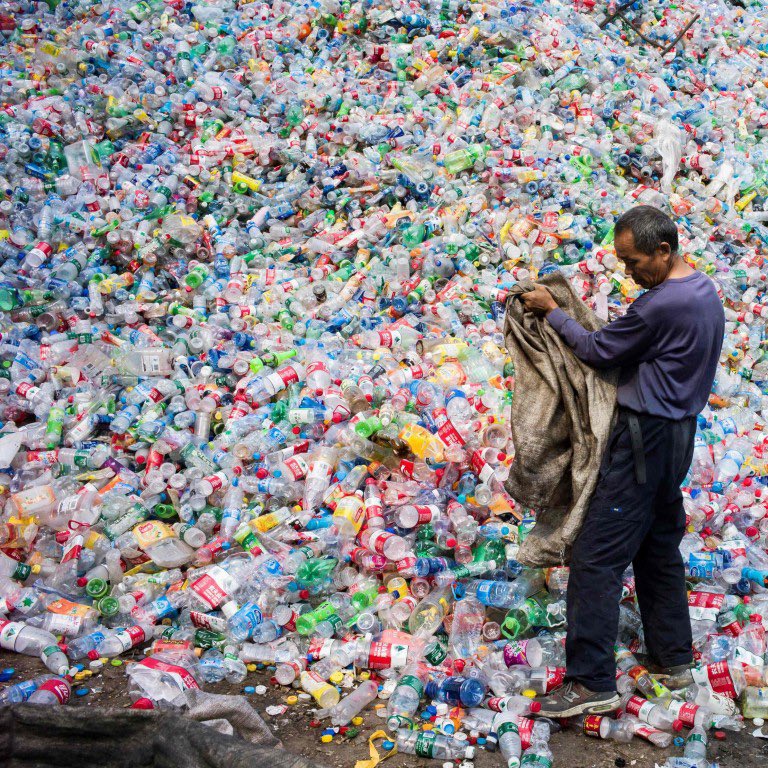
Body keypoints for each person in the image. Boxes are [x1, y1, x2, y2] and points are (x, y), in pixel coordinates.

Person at [520, 205, 725, 718]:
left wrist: (553, 310)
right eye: (623, 261)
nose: (629, 272)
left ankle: (591, 682)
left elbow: (596, 349)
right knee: (657, 548)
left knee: (596, 557)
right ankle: (673, 659)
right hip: (678, 436)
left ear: (664, 250)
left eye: (635, 262)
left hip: (643, 441)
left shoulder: (661, 305)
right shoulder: (703, 290)